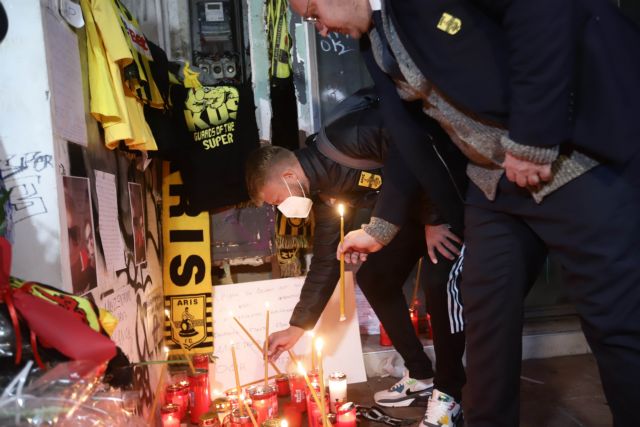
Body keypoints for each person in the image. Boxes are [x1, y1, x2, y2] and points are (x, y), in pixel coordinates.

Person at [288, 0, 640, 426]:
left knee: (615, 322)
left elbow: (543, 11)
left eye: (313, 13)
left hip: (572, 159)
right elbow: (410, 138)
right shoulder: (376, 40)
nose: (321, 29)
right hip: (493, 182)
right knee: (485, 318)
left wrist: (534, 136)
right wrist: (381, 227)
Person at [246, 87, 468, 412]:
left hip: (448, 196)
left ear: (289, 175)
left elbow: (417, 147)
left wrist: (434, 220)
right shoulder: (324, 195)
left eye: (277, 200)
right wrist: (298, 326)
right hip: (412, 213)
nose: (282, 209)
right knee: (375, 278)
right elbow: (326, 262)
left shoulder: (349, 136)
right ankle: (420, 374)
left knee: (438, 284)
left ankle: (449, 392)